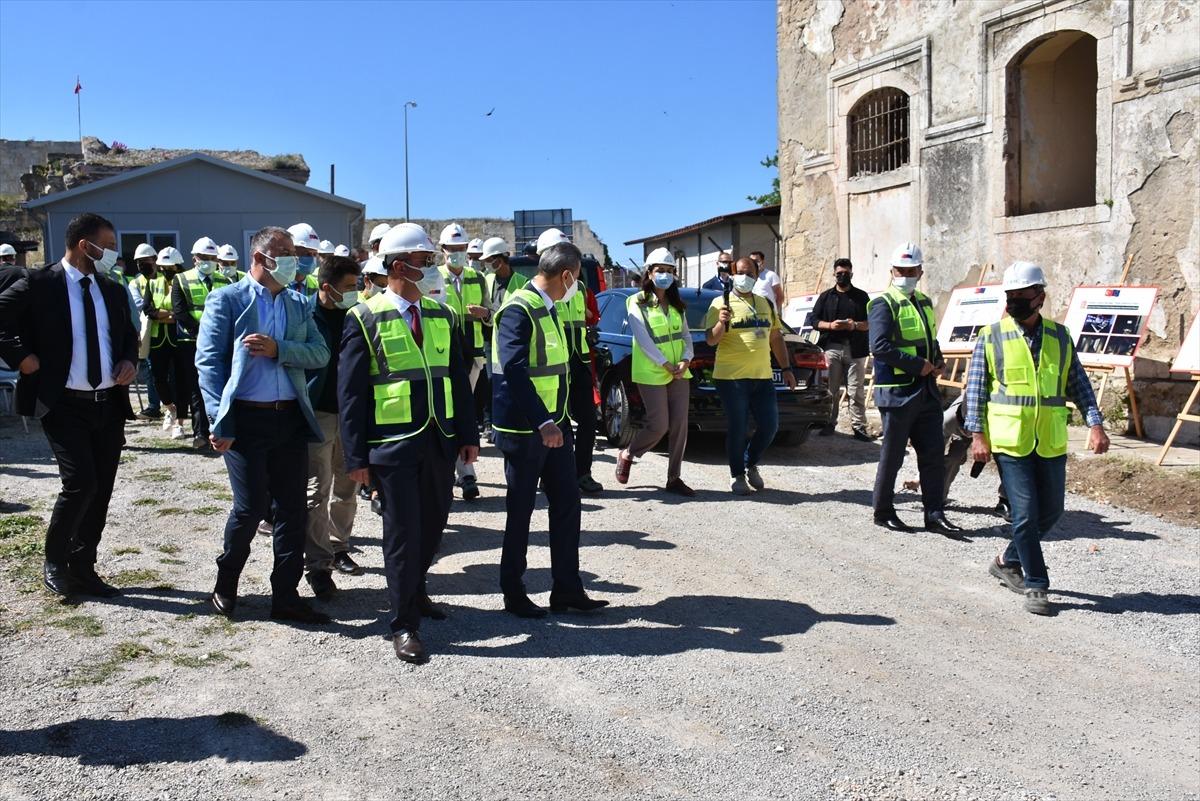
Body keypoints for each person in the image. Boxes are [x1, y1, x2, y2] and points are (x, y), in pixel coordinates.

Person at [339, 223, 479, 663]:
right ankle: (403, 624)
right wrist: (356, 457)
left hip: (439, 441)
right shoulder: (363, 316)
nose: (433, 267)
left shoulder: (442, 315)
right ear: (399, 266)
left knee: (434, 525)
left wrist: (468, 435)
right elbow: (351, 393)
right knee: (401, 534)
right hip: (392, 445)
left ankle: (416, 593)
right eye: (425, 261)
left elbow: (458, 378)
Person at [196, 225, 331, 625]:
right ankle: (226, 582)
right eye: (286, 252)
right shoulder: (227, 300)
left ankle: (285, 594)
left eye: (293, 252)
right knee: (251, 506)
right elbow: (208, 364)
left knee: (292, 509)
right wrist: (220, 420)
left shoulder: (298, 303)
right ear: (260, 258)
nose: (295, 259)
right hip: (246, 419)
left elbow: (319, 353)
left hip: (288, 418)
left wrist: (280, 350)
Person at [0, 212, 138, 598]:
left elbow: (128, 333)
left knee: (103, 488)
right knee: (81, 484)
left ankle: (84, 566)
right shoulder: (39, 283)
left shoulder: (110, 289)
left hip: (107, 403)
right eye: (108, 246)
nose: (113, 253)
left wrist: (129, 359)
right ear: (84, 245)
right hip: (63, 404)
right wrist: (23, 358)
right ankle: (56, 561)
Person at [967, 261, 1109, 616]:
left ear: (1039, 297)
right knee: (1026, 513)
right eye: (1009, 296)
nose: (1014, 301)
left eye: (1021, 295)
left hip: (1049, 438)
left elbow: (1078, 384)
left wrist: (1095, 424)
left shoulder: (1060, 336)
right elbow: (976, 391)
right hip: (1009, 439)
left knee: (1052, 510)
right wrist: (977, 436)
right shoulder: (991, 335)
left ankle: (1006, 560)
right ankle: (1036, 585)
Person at [491, 240, 608, 618]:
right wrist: (543, 421)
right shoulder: (518, 310)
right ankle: (514, 591)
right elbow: (513, 370)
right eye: (578, 280)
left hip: (555, 426)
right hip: (527, 430)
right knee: (521, 511)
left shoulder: (550, 308)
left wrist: (558, 421)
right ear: (568, 275)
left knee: (567, 505)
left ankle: (567, 589)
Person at [868, 242, 962, 538]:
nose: (906, 275)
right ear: (892, 271)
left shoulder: (923, 301)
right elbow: (879, 347)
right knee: (893, 456)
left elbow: (928, 338)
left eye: (912, 270)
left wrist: (938, 360)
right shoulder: (883, 303)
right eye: (901, 270)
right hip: (897, 393)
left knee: (933, 455)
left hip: (926, 391)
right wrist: (917, 365)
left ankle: (934, 514)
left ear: (920, 271)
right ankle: (883, 511)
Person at [704, 257, 798, 495]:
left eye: (750, 273)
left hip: (762, 376)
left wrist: (786, 369)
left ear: (757, 277)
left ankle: (750, 462)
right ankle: (737, 475)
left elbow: (775, 337)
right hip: (731, 378)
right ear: (733, 274)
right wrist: (721, 324)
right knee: (739, 426)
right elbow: (711, 339)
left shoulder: (765, 303)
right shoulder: (719, 303)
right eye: (740, 272)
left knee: (770, 426)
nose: (744, 277)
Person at [303, 255, 364, 598]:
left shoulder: (357, 315)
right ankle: (318, 564)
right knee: (316, 491)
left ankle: (340, 547)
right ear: (327, 288)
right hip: (318, 414)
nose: (356, 293)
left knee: (348, 485)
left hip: (352, 415)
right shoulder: (304, 316)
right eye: (350, 288)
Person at [614, 247, 694, 496]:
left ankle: (674, 478)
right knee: (659, 426)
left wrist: (686, 360)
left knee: (680, 425)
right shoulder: (636, 301)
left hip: (679, 372)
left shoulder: (678, 304)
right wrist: (663, 363)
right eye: (661, 270)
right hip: (652, 371)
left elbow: (686, 336)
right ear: (649, 272)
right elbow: (643, 337)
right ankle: (628, 454)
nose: (665, 275)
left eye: (670, 271)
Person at [539, 228, 603, 495]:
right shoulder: (534, 292)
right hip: (553, 366)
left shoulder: (579, 288)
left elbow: (588, 319)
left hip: (577, 360)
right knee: (553, 421)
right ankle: (547, 474)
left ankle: (582, 473)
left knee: (588, 420)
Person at [437, 223, 489, 501]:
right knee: (452, 412)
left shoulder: (477, 278)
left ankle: (464, 472)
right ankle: (464, 473)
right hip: (443, 352)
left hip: (473, 353)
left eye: (461, 249)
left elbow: (491, 312)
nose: (456, 254)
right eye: (452, 250)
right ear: (442, 250)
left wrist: (485, 312)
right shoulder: (433, 278)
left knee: (464, 411)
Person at [172, 237, 230, 449]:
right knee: (197, 388)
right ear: (194, 258)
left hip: (221, 342)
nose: (208, 261)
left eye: (212, 258)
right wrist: (203, 333)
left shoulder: (225, 280)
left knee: (221, 384)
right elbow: (180, 311)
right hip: (191, 341)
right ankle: (200, 433)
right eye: (204, 257)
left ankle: (222, 428)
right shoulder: (181, 279)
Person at [811, 257, 873, 441]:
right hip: (832, 348)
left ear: (851, 274)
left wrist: (854, 325)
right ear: (834, 274)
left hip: (856, 349)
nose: (842, 276)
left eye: (846, 273)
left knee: (856, 390)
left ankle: (859, 427)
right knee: (832, 389)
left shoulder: (861, 297)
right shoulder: (826, 297)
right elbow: (813, 321)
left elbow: (870, 323)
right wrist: (830, 326)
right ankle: (829, 422)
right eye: (839, 274)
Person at [479, 237, 530, 443]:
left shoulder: (521, 282)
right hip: (492, 339)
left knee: (511, 379)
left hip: (513, 341)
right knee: (492, 381)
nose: (488, 263)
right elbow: (488, 308)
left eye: (491, 259)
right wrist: (484, 313)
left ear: (502, 258)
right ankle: (491, 423)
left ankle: (511, 422)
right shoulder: (487, 280)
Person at [942, 394, 1009, 519]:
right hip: (963, 424)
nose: (969, 434)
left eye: (970, 431)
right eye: (966, 431)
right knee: (953, 458)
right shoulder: (947, 419)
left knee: (1006, 460)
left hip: (991, 427)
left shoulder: (995, 418)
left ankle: (1006, 501)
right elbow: (933, 454)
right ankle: (938, 497)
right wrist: (918, 479)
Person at [144, 246, 187, 439]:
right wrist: (169, 316)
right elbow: (148, 309)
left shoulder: (184, 281)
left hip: (179, 338)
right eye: (162, 266)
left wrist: (166, 315)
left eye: (169, 267)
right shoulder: (153, 283)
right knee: (158, 377)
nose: (165, 270)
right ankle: (170, 407)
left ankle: (180, 423)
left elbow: (182, 312)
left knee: (180, 379)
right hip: (158, 339)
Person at [128, 243, 162, 420]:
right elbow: (140, 305)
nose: (142, 265)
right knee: (150, 370)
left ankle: (177, 405)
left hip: (169, 332)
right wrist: (162, 311)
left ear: (155, 260)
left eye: (145, 261)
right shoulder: (136, 282)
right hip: (149, 332)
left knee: (172, 370)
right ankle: (154, 406)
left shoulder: (167, 278)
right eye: (139, 262)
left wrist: (157, 311)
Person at [287, 223, 322, 298]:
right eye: (307, 254)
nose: (312, 259)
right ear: (291, 252)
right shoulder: (277, 285)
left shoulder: (317, 286)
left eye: (314, 254)